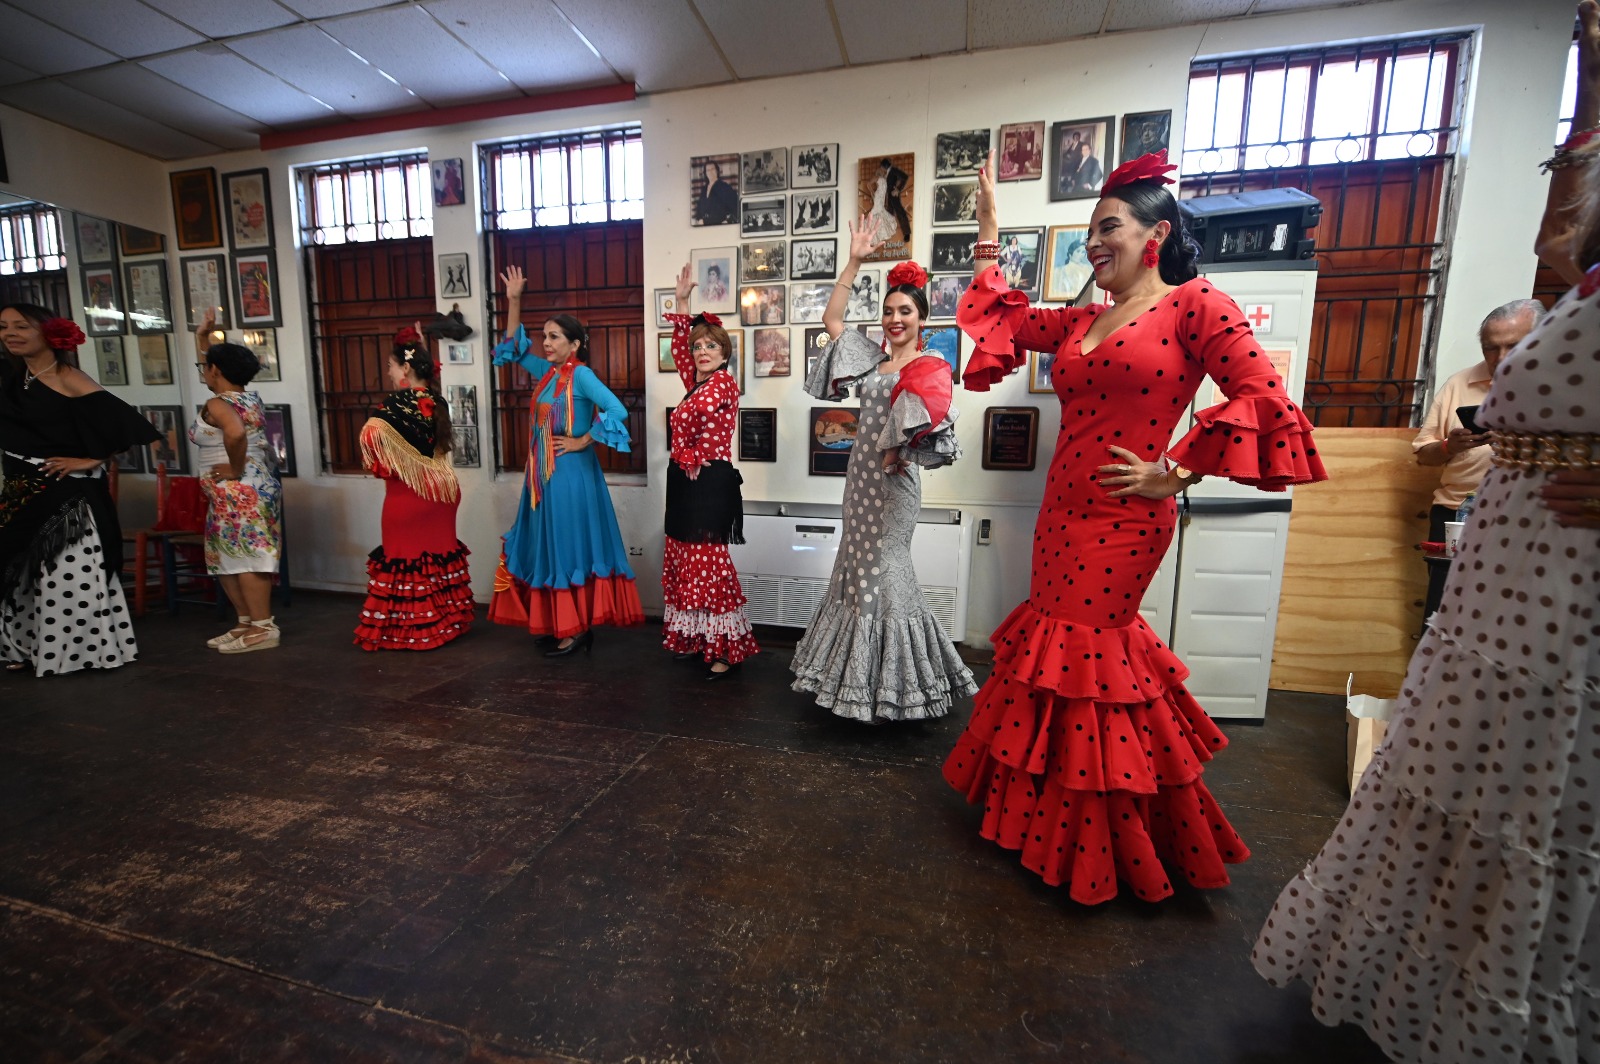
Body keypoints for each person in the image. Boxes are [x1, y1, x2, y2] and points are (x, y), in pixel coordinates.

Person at [1251, 6, 1600, 1057]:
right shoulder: (1574, 288)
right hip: (1498, 572)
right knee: (1454, 782)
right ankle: (1426, 977)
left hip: (1567, 602)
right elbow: (1430, 451)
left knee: (1541, 801)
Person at [942, 149, 1327, 903]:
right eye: (1089, 231)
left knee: (1093, 669)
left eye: (1108, 226)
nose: (1095, 242)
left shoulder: (1196, 304)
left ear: (1156, 234)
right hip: (1060, 517)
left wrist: (1175, 473)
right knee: (1055, 663)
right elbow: (1009, 321)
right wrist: (988, 226)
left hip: (1123, 522)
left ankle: (1104, 842)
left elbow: (1264, 394)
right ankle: (1038, 820)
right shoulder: (1085, 316)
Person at [791, 218, 976, 722]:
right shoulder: (871, 363)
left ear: (921, 319)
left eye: (905, 312)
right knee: (854, 570)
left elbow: (924, 427)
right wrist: (853, 260)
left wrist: (899, 452)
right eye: (889, 311)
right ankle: (860, 681)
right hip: (859, 483)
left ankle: (899, 685)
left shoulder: (930, 367)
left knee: (886, 570)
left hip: (895, 487)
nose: (895, 319)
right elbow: (832, 320)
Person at [489, 266, 643, 655]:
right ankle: (562, 623)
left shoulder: (582, 376)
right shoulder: (548, 375)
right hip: (542, 480)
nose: (546, 343)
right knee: (550, 545)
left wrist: (582, 440)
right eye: (545, 336)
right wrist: (514, 300)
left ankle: (575, 627)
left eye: (554, 337)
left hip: (571, 477)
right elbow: (514, 347)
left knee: (568, 547)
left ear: (574, 344)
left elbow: (617, 411)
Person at [0, 303, 158, 675]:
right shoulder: (13, 377)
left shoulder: (68, 377)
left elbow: (128, 426)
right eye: (4, 327)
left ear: (49, 333)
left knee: (62, 578)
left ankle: (75, 654)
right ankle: (24, 647)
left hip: (66, 498)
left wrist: (91, 460)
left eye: (21, 326)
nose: (10, 334)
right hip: (22, 491)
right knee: (19, 574)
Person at [1412, 299, 1540, 619]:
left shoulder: (1564, 388)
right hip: (1457, 515)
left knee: (1513, 615)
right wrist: (1449, 447)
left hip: (1531, 516)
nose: (1501, 358)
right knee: (1445, 611)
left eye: (1514, 346)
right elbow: (1423, 455)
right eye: (1490, 348)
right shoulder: (1459, 383)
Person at [660, 265, 759, 678]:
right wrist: (682, 303)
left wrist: (690, 452)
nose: (701, 352)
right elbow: (680, 352)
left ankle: (725, 648)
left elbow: (707, 430)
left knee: (708, 564)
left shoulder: (721, 384)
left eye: (710, 347)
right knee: (685, 560)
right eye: (698, 346)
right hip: (684, 481)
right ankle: (696, 639)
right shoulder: (696, 382)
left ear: (723, 355)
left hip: (708, 480)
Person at [353, 326, 473, 651]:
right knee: (438, 557)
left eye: (392, 367)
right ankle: (449, 622)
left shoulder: (398, 403)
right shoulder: (437, 400)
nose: (390, 374)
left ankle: (414, 632)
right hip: (443, 492)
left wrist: (392, 459)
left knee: (405, 560)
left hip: (409, 497)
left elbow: (368, 436)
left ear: (405, 368)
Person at [192, 310, 284, 653]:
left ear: (216, 371)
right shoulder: (245, 397)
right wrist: (204, 339)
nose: (203, 370)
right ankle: (245, 622)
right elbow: (212, 367)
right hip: (236, 494)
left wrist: (233, 468)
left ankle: (263, 626)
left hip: (240, 490)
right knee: (226, 557)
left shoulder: (218, 403)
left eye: (206, 366)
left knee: (247, 557)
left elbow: (234, 432)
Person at [694, 161, 738, 226]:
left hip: (718, 225)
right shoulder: (704, 189)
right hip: (704, 225)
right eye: (708, 170)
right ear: (705, 173)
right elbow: (699, 208)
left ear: (717, 171)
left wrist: (728, 221)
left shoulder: (724, 187)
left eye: (712, 169)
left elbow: (736, 206)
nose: (710, 172)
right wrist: (699, 219)